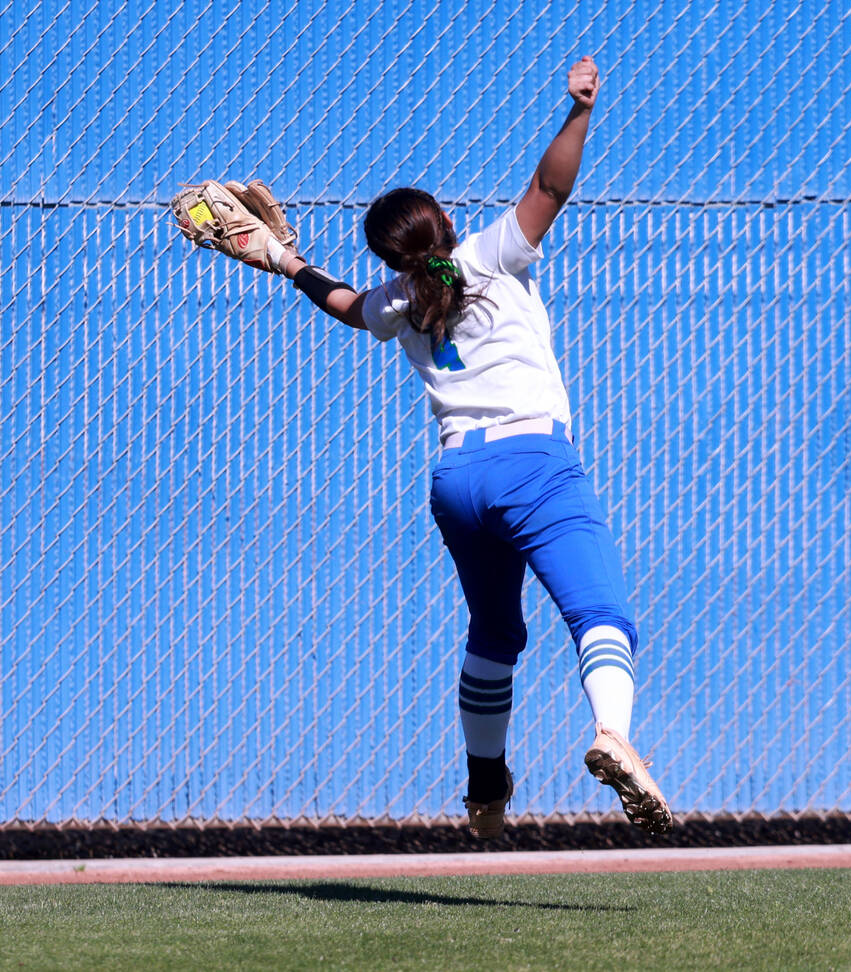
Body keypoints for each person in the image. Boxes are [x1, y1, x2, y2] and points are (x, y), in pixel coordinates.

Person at [262, 56, 671, 836]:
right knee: (600, 612)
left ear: (391, 257)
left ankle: (485, 788)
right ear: (444, 223)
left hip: (457, 479)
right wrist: (579, 111)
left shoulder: (396, 299)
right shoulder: (485, 256)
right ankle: (613, 735)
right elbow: (549, 190)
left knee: (495, 633)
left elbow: (344, 305)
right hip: (534, 464)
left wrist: (287, 262)